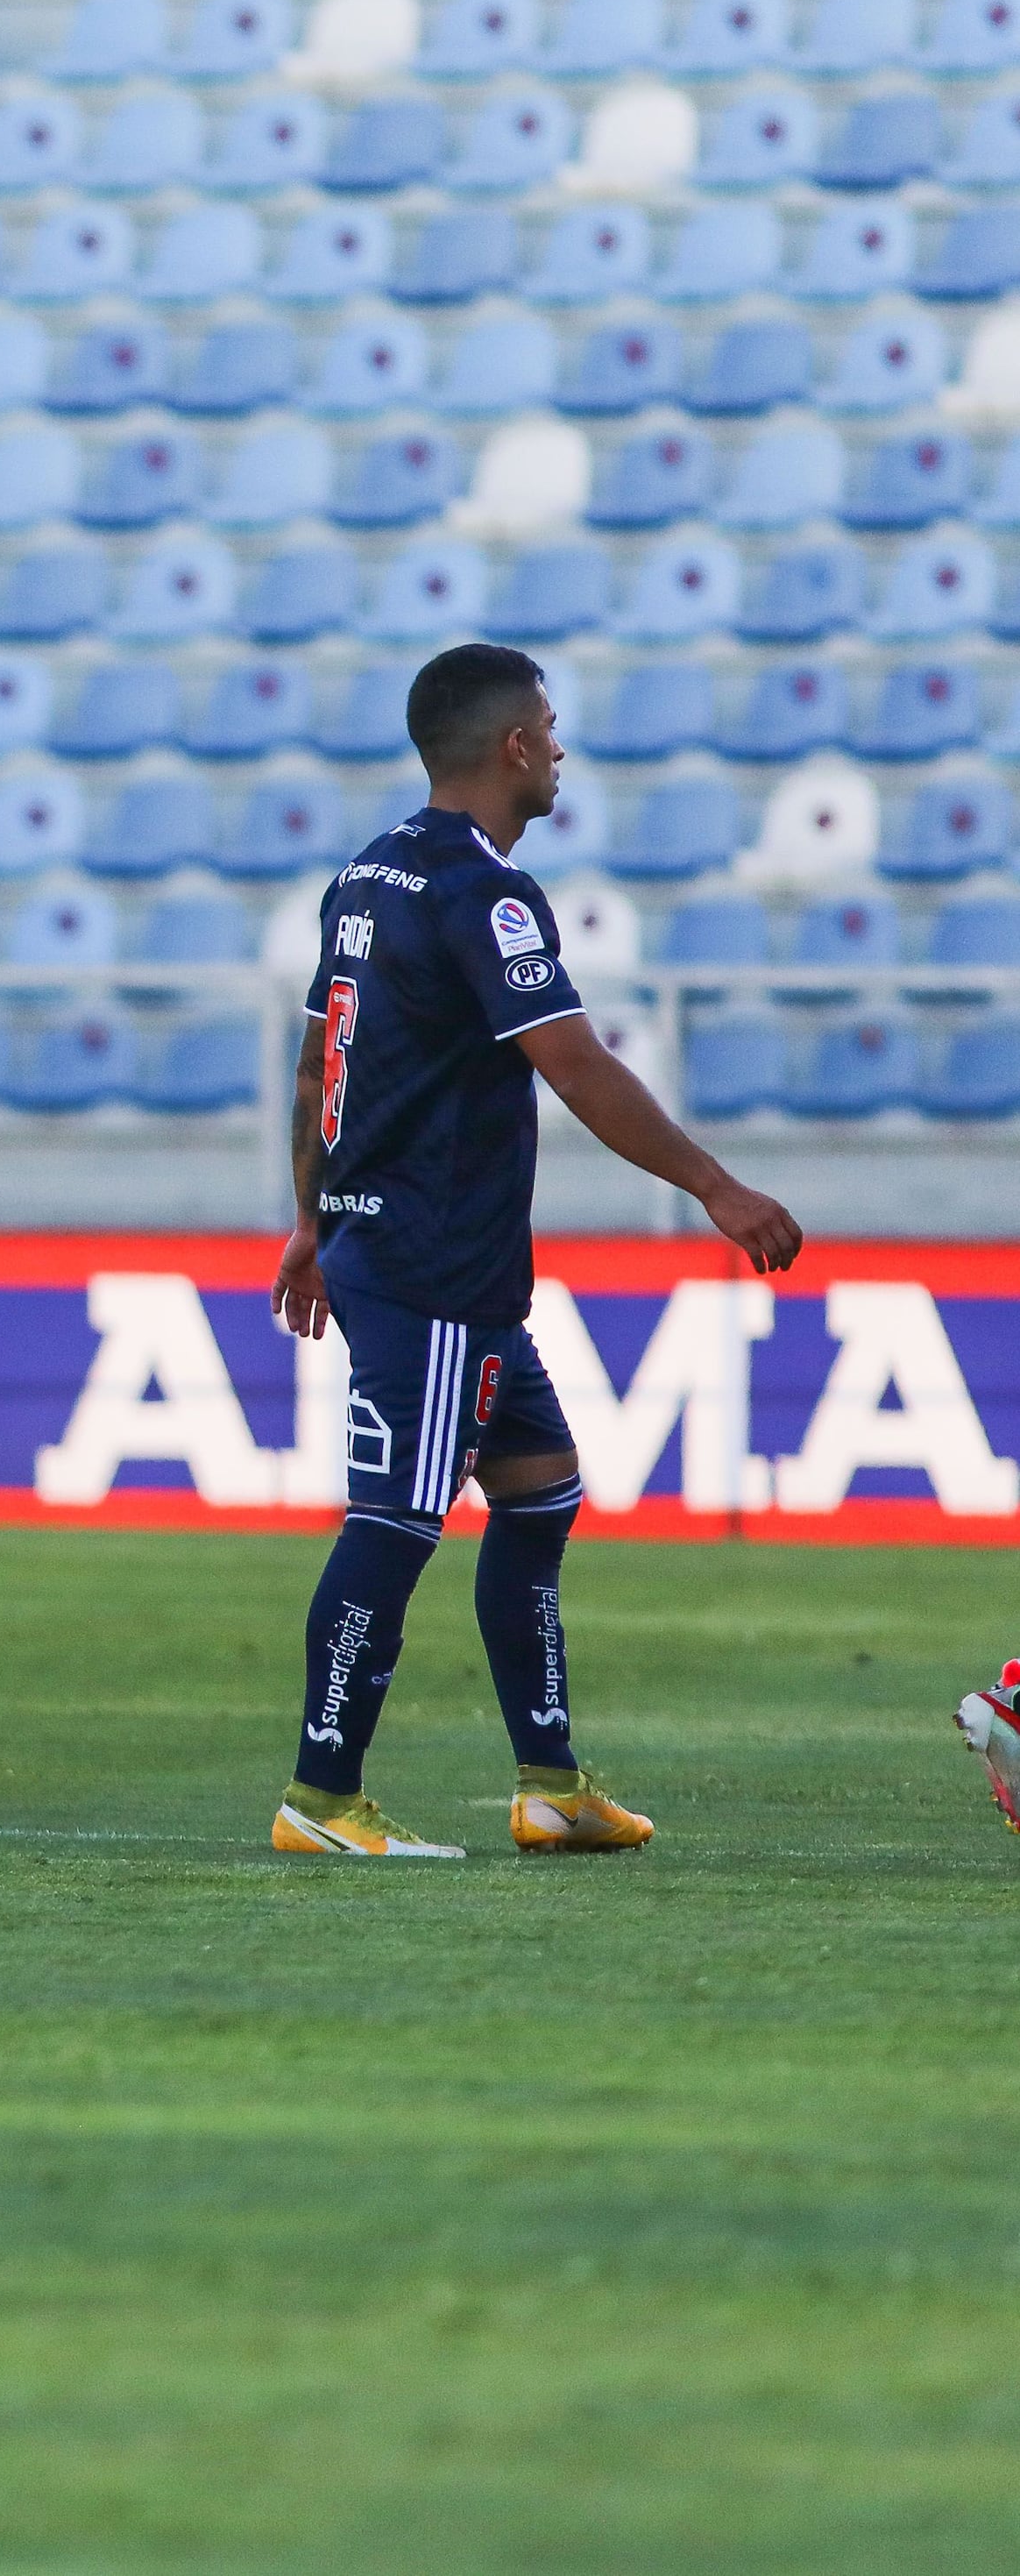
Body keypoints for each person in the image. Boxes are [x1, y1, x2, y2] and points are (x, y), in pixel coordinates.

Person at [268, 642, 804, 1856]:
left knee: (540, 1489)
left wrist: (310, 1217)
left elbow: (317, 1064)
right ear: (513, 745)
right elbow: (574, 1061)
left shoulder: (366, 874)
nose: (560, 747)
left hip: (399, 1248)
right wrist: (714, 1185)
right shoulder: (483, 891)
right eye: (550, 728)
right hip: (432, 1262)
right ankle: (320, 1795)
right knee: (396, 1520)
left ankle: (550, 1783)